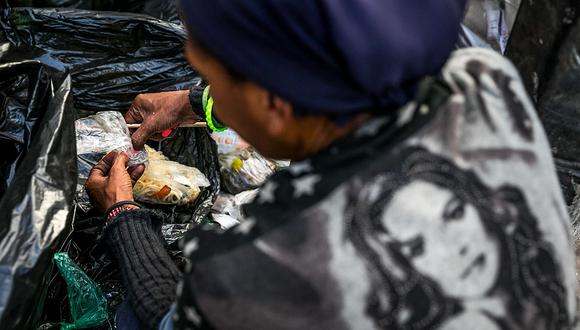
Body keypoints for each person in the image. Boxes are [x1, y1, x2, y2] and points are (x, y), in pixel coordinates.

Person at [85, 0, 578, 329]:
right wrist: (197, 102)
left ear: (276, 106)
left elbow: (167, 314)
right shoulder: (484, 78)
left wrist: (124, 216)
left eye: (208, 68)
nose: (202, 77)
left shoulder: (282, 258)